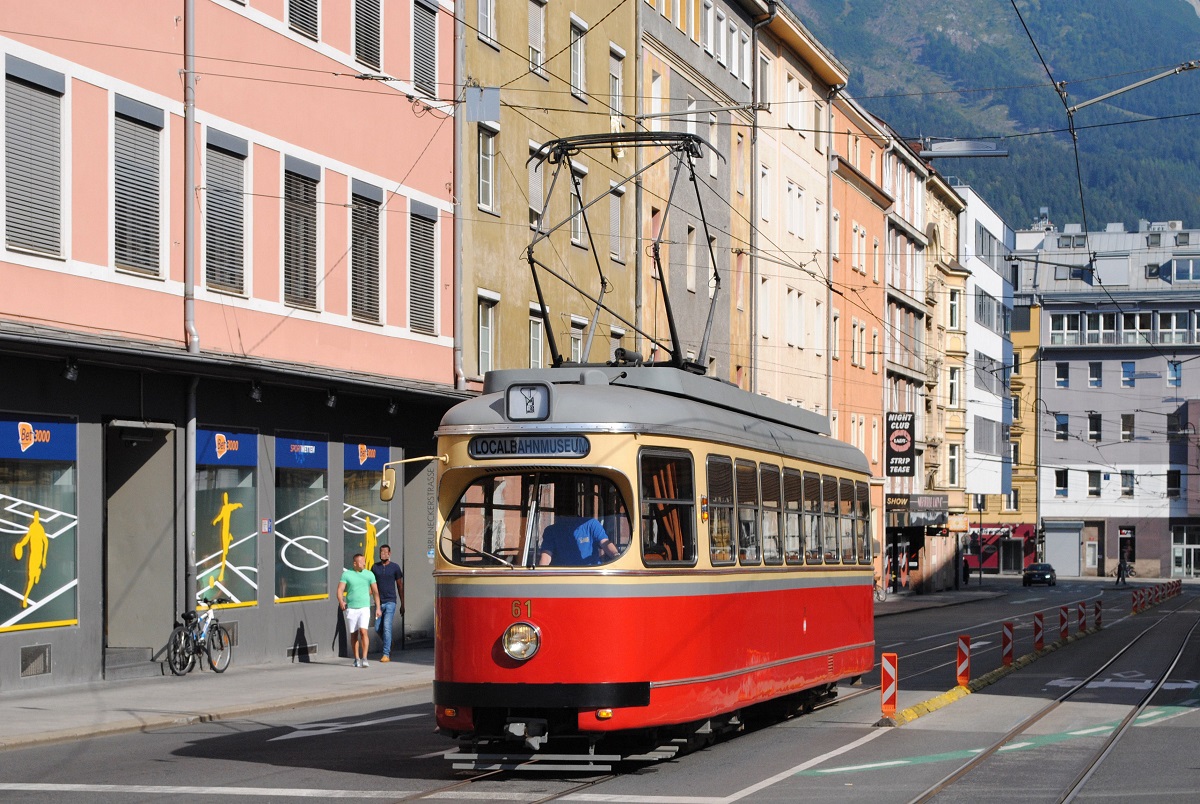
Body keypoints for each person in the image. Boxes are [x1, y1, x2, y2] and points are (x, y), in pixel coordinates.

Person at [338, 553, 380, 668]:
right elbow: (340, 589)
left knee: (363, 631)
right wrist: (341, 601)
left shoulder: (369, 574)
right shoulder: (347, 574)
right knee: (354, 634)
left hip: (364, 607)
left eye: (365, 561)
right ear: (355, 563)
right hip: (351, 608)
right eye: (362, 562)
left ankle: (365, 658)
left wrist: (378, 607)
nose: (364, 564)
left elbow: (375, 591)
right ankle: (356, 658)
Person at [538, 516, 618, 566]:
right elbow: (546, 555)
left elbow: (605, 543)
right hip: (563, 576)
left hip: (590, 574)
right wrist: (540, 575)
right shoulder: (552, 530)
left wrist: (616, 555)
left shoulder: (592, 524)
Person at [372, 544, 404, 662]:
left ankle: (386, 654)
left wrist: (402, 604)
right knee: (377, 628)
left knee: (386, 626)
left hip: (391, 601)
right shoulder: (375, 567)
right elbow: (372, 585)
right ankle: (389, 642)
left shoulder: (395, 567)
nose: (383, 554)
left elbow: (400, 586)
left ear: (389, 554)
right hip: (379, 603)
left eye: (385, 552)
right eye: (381, 552)